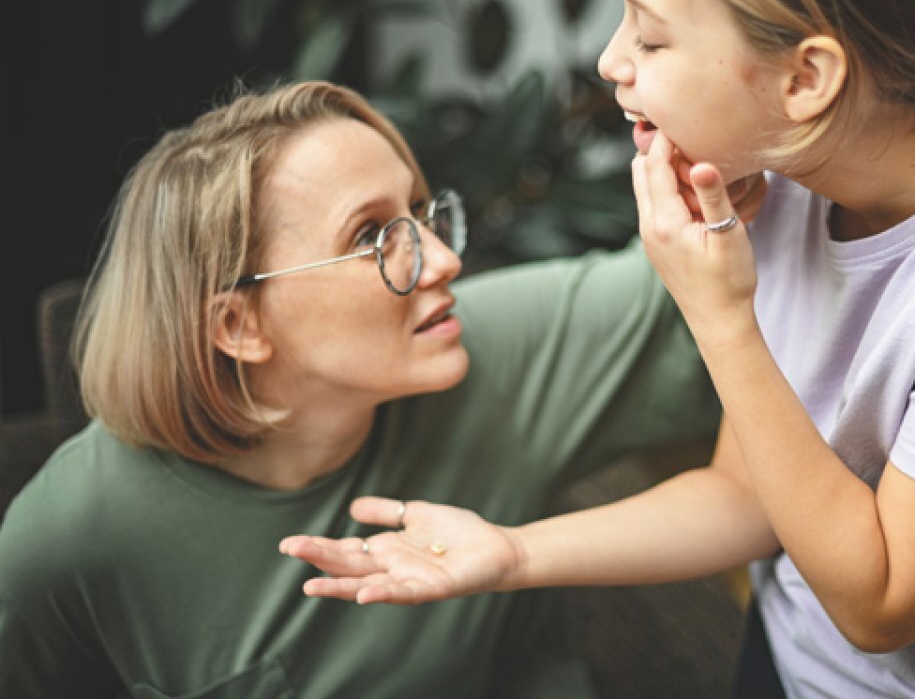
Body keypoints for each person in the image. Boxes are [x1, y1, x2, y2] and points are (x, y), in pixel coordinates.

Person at [280, 0, 915, 697]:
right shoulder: (785, 171)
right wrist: (513, 551)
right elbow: (747, 498)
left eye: (651, 36)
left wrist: (721, 314)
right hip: (787, 657)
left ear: (807, 78)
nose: (609, 60)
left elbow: (882, 601)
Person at [0, 79, 750, 698]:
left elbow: (722, 255)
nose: (443, 261)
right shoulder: (67, 536)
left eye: (419, 213)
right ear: (237, 324)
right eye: (370, 238)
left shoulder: (483, 346)